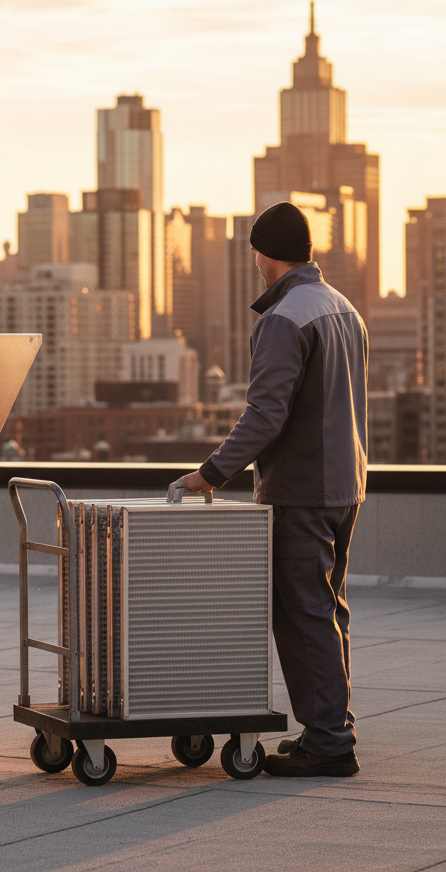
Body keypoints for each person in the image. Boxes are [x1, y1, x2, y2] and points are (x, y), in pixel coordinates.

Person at [180, 201, 367, 777]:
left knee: (303, 612)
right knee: (327, 608)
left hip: (302, 491)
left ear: (263, 253)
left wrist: (210, 473)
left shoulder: (284, 319)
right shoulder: (343, 308)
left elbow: (265, 415)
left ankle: (329, 743)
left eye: (255, 252)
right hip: (345, 485)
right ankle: (329, 726)